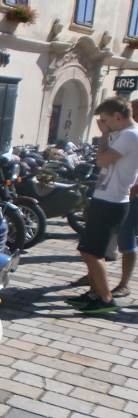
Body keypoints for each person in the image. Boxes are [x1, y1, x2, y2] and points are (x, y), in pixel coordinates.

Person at [66, 96, 138, 314]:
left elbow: (102, 161)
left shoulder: (129, 135)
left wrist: (105, 135)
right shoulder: (125, 134)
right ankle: (95, 293)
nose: (102, 124)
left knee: (91, 252)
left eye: (105, 120)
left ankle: (106, 299)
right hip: (107, 199)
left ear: (118, 116)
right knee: (92, 250)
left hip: (112, 202)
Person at [110, 97, 138, 298]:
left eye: (135, 114)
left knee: (127, 240)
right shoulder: (125, 134)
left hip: (130, 196)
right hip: (118, 194)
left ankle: (124, 284)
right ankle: (94, 276)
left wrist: (131, 193)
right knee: (105, 238)